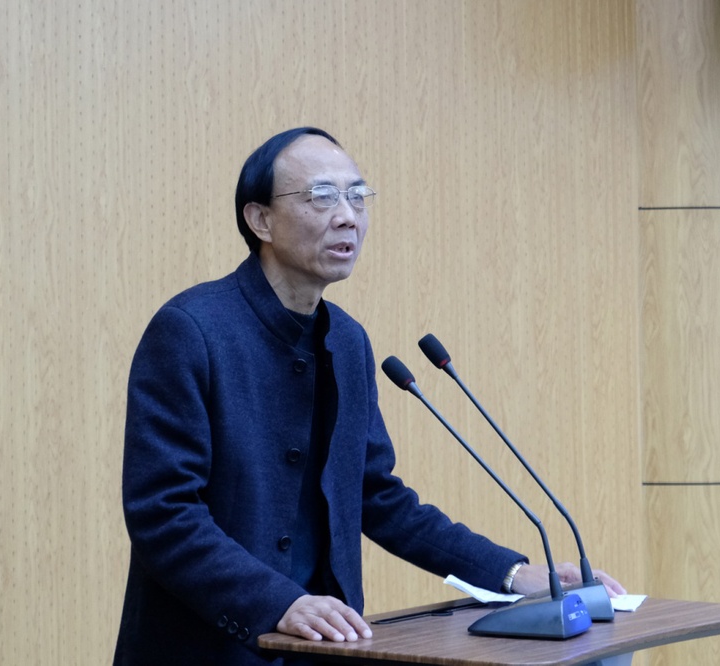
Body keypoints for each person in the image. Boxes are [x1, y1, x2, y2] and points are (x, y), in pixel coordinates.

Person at [113, 127, 625, 665]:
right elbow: (163, 514)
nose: (348, 216)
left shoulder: (347, 341)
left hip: (327, 648)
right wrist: (278, 602)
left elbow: (376, 496)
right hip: (206, 651)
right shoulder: (191, 331)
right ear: (260, 219)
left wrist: (511, 573)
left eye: (358, 196)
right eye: (322, 196)